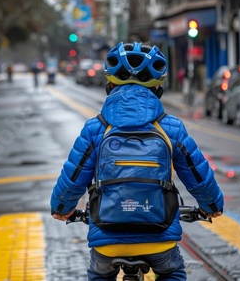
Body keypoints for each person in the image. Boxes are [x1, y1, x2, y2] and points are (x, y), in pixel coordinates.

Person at [50, 41, 224, 280]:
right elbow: (197, 174)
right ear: (158, 88)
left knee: (99, 273)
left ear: (109, 85)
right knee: (173, 272)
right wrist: (211, 206)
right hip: (158, 238)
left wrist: (62, 208)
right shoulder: (171, 128)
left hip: (107, 239)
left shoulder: (96, 128)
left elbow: (73, 176)